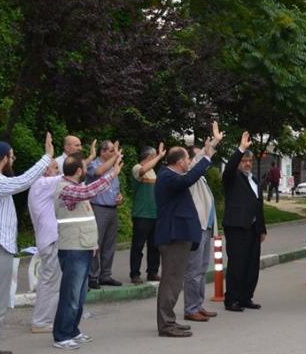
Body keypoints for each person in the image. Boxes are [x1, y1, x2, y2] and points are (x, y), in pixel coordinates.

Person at [0, 134, 53, 354]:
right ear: (3, 157)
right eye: (12, 155)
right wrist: (46, 157)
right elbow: (23, 182)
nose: (13, 159)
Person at [154, 122, 222, 336]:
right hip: (173, 236)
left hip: (179, 236)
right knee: (171, 281)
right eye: (186, 159)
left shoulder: (174, 175)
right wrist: (207, 157)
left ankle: (170, 321)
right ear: (179, 161)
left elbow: (192, 170)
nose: (188, 162)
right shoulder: (167, 176)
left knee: (174, 281)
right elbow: (191, 176)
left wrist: (211, 147)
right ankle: (166, 324)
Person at [52, 150, 122, 350]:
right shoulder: (65, 188)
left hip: (83, 246)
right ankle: (61, 335)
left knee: (80, 295)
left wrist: (93, 244)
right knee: (71, 294)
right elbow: (88, 193)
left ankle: (72, 331)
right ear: (78, 170)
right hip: (72, 247)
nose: (86, 172)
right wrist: (111, 175)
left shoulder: (75, 186)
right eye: (84, 168)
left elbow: (86, 217)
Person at [222, 131, 267, 312]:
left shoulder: (254, 180)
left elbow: (258, 205)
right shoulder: (232, 178)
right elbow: (230, 167)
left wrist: (262, 228)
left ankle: (245, 297)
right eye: (244, 161)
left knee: (251, 265)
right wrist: (241, 149)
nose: (247, 164)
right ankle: (232, 298)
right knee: (237, 264)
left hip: (253, 228)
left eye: (249, 161)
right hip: (237, 227)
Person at [183, 145, 219, 322]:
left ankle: (197, 304)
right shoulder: (189, 175)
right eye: (198, 156)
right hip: (197, 228)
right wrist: (212, 144)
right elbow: (197, 163)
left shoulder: (200, 178)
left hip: (206, 227)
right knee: (194, 270)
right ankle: (190, 308)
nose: (203, 158)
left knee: (202, 269)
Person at [27, 160, 63, 333]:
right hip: (49, 239)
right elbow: (70, 177)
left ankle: (47, 318)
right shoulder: (41, 183)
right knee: (49, 282)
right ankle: (41, 321)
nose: (58, 171)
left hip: (47, 238)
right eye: (55, 168)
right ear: (46, 170)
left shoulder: (40, 185)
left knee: (50, 281)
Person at [86, 141, 123, 289]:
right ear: (103, 152)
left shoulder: (114, 168)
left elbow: (116, 189)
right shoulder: (93, 164)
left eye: (114, 151)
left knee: (109, 244)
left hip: (112, 209)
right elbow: (99, 172)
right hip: (97, 208)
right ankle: (92, 276)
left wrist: (120, 197)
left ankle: (105, 275)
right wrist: (116, 158)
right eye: (111, 151)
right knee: (96, 243)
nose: (114, 153)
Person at [130, 143, 165, 284]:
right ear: (149, 156)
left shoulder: (153, 172)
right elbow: (143, 170)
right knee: (138, 246)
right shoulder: (137, 167)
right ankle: (134, 273)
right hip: (142, 214)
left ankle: (152, 272)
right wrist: (159, 157)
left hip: (154, 214)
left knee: (154, 246)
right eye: (154, 156)